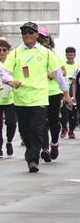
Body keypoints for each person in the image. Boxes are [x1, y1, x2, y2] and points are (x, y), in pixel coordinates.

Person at [0, 22, 72, 173]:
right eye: (24, 33)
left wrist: (66, 94)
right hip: (21, 99)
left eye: (31, 32)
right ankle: (30, 153)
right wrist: (10, 81)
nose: (27, 36)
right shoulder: (16, 53)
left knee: (37, 129)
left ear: (37, 35)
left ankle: (33, 159)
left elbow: (59, 74)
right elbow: (4, 71)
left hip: (39, 98)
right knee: (25, 131)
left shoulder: (45, 53)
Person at [37, 28, 63, 161]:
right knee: (42, 122)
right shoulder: (33, 55)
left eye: (45, 38)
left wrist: (51, 74)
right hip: (39, 92)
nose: (43, 41)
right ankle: (44, 148)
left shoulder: (53, 54)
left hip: (53, 93)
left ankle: (54, 143)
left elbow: (62, 71)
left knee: (53, 122)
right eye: (40, 38)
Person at [61, 46, 78, 138]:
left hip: (73, 92)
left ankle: (71, 131)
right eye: (68, 55)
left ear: (75, 55)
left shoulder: (77, 66)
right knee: (63, 111)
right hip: (63, 91)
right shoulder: (63, 66)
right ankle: (64, 129)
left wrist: (74, 96)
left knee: (73, 113)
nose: (70, 57)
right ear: (66, 55)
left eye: (71, 55)